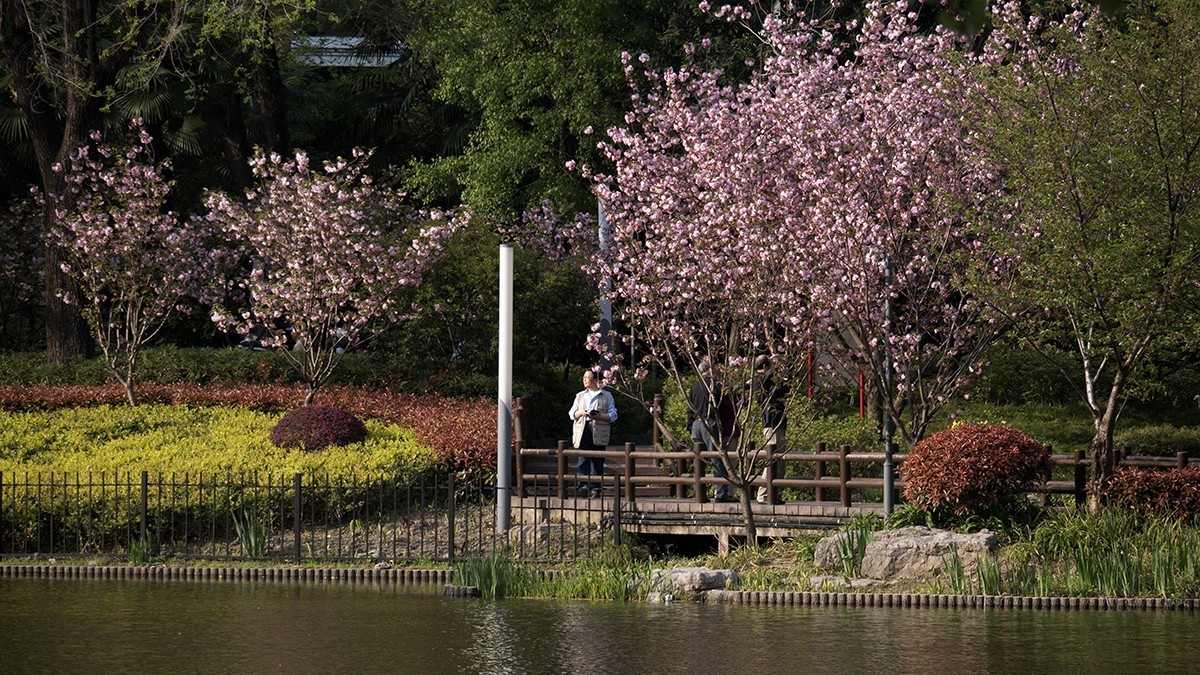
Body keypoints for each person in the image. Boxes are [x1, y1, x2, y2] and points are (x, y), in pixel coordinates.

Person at [689, 359, 734, 502]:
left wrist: (690, 426)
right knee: (717, 458)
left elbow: (689, 408)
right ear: (709, 370)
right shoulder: (712, 385)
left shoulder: (694, 386)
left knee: (699, 461)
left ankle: (699, 493)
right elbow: (722, 403)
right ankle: (721, 494)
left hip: (696, 423)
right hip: (709, 422)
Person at [568, 369, 618, 497]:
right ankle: (583, 486)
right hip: (583, 428)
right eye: (584, 377)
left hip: (599, 429)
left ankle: (596, 488)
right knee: (583, 458)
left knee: (598, 460)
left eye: (587, 377)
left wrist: (601, 416)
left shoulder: (606, 395)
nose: (584, 380)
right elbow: (571, 413)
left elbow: (613, 415)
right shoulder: (580, 396)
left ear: (596, 380)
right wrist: (581, 413)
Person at [751, 355, 789, 504]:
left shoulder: (770, 381)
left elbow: (786, 389)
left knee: (780, 462)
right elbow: (768, 380)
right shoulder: (760, 381)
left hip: (778, 422)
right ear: (766, 367)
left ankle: (773, 493)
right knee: (773, 459)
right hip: (771, 423)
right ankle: (764, 495)